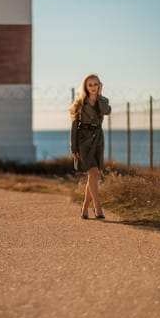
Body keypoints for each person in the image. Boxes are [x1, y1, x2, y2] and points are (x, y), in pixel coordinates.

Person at [70, 74, 111, 219]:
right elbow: (74, 126)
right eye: (90, 85)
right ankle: (98, 208)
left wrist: (99, 96)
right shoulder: (80, 102)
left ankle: (84, 208)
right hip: (83, 139)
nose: (93, 87)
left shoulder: (103, 101)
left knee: (93, 174)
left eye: (96, 84)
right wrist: (74, 148)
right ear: (86, 87)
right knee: (92, 172)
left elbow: (107, 111)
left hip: (98, 139)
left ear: (100, 85)